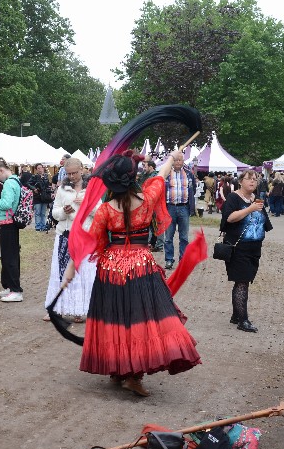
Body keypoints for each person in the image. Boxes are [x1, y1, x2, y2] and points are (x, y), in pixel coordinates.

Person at [68, 144, 201, 397]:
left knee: (116, 318)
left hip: (110, 268)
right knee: (139, 318)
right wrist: (172, 158)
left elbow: (93, 241)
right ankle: (131, 374)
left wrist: (73, 267)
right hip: (140, 265)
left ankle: (120, 371)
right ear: (133, 179)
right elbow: (159, 176)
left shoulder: (106, 210)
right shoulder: (148, 199)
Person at [44, 157, 96, 322]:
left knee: (81, 275)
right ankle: (57, 309)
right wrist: (64, 212)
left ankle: (79, 310)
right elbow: (54, 213)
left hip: (84, 237)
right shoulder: (62, 189)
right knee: (60, 274)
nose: (72, 176)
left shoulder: (92, 188)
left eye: (75, 172)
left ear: (82, 169)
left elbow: (100, 211)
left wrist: (87, 204)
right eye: (69, 173)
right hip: (64, 235)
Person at [220, 170, 272, 333]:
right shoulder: (233, 198)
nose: (252, 182)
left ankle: (236, 315)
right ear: (240, 181)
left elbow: (264, 222)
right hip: (238, 247)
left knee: (244, 280)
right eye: (249, 179)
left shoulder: (254, 199)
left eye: (255, 179)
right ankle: (243, 320)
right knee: (241, 281)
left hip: (254, 247)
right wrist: (250, 209)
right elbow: (229, 218)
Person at [0, 159, 23, 302]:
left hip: (8, 223)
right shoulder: (16, 181)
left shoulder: (8, 183)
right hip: (11, 223)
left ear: (1, 170)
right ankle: (10, 287)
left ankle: (15, 290)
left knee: (9, 257)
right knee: (9, 255)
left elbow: (6, 204)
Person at [163, 151, 193, 270]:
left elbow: (192, 190)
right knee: (168, 237)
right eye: (175, 160)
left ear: (183, 161)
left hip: (184, 207)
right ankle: (169, 260)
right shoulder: (167, 174)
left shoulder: (188, 174)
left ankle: (183, 260)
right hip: (170, 207)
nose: (177, 162)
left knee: (184, 237)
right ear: (172, 161)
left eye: (180, 160)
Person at [29, 163, 52, 231]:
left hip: (44, 196)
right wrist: (34, 188)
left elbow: (47, 185)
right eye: (38, 168)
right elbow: (28, 183)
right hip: (37, 196)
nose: (40, 170)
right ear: (36, 170)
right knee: (38, 212)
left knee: (43, 212)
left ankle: (43, 225)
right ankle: (38, 226)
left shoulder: (46, 176)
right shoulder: (34, 177)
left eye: (41, 168)